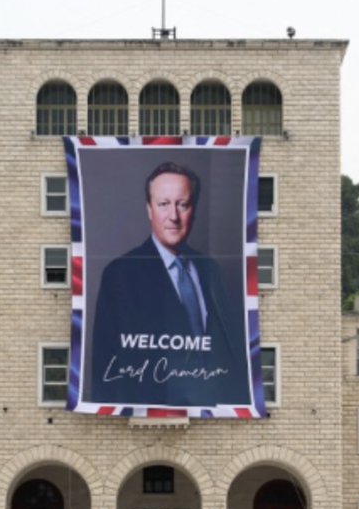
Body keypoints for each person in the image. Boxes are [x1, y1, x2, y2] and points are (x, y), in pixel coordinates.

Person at [88, 161, 248, 407]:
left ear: (193, 209)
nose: (173, 216)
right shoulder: (120, 274)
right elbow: (106, 369)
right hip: (152, 415)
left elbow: (225, 353)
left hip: (213, 414)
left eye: (182, 204)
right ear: (149, 209)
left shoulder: (210, 269)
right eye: (164, 204)